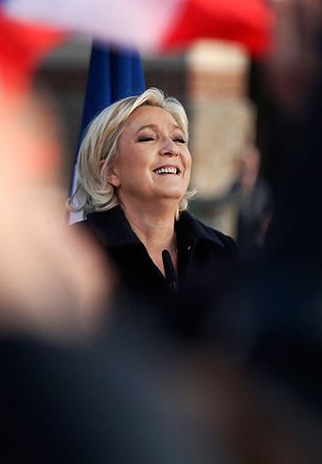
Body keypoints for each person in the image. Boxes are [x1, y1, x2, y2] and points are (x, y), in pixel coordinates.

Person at [70, 88, 240, 304]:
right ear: (111, 171)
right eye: (148, 138)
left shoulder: (221, 251)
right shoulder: (77, 252)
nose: (171, 149)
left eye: (179, 139)